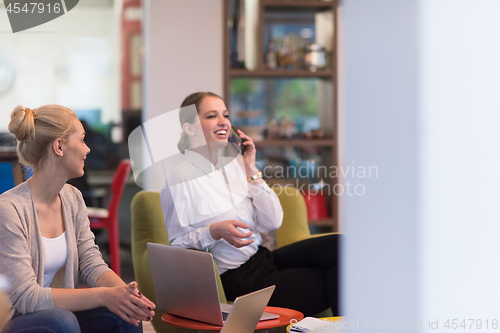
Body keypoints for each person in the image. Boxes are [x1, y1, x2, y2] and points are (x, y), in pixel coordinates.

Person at [160, 92, 339, 317]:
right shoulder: (181, 179)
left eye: (225, 114)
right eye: (211, 116)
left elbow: (272, 223)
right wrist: (213, 232)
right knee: (341, 279)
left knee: (342, 248)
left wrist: (251, 170)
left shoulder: (233, 166)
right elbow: (177, 248)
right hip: (238, 281)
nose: (223, 121)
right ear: (190, 129)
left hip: (263, 259)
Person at [0, 105, 156, 333]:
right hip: (14, 320)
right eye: (82, 140)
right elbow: (26, 298)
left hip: (57, 314)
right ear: (59, 146)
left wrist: (127, 296)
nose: (88, 149)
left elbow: (91, 263)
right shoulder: (9, 209)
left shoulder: (72, 198)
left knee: (124, 314)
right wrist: (104, 295)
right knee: (62, 321)